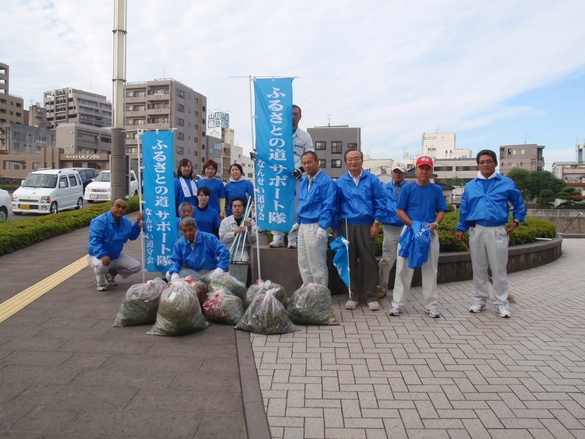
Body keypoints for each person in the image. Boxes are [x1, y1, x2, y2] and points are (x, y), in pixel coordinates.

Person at [456, 149, 526, 318]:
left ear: (495, 163)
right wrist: (461, 228)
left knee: (498, 268)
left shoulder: (506, 183)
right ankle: (480, 299)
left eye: (489, 161)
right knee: (478, 268)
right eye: (482, 162)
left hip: (497, 229)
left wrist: (516, 221)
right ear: (478, 165)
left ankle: (502, 303)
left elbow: (519, 204)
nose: (485, 164)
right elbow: (465, 209)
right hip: (476, 229)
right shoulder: (471, 186)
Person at [388, 156, 450, 318]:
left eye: (427, 168)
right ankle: (397, 304)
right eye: (421, 168)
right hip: (409, 233)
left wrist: (435, 224)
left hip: (429, 232)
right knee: (402, 269)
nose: (424, 171)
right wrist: (412, 225)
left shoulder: (436, 190)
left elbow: (441, 210)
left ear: (431, 171)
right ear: (415, 170)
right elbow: (400, 210)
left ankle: (431, 305)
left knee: (430, 269)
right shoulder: (408, 189)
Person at [332, 149, 385, 311]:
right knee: (349, 261)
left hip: (367, 224)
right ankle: (353, 295)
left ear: (362, 161)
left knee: (368, 261)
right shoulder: (340, 182)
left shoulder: (372, 180)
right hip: (346, 224)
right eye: (349, 159)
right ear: (345, 162)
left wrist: (376, 222)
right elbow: (334, 206)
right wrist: (334, 228)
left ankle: (371, 297)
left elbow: (381, 202)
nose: (353, 162)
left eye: (356, 159)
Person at [270, 104, 314, 249]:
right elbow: (268, 153)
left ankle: (293, 238)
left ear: (300, 117)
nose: (293, 117)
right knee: (277, 206)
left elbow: (311, 156)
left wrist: (301, 169)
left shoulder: (305, 136)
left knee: (295, 208)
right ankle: (278, 237)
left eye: (296, 114)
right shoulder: (276, 134)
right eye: (290, 114)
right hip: (278, 177)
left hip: (297, 178)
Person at [291, 151, 337, 286]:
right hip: (303, 225)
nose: (306, 166)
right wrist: (298, 222)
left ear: (317, 162)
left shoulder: (326, 182)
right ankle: (309, 292)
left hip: (316, 225)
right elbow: (303, 203)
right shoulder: (305, 181)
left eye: (309, 162)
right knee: (304, 262)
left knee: (316, 262)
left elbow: (329, 205)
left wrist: (323, 227)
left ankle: (320, 295)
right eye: (304, 163)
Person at [87, 199, 144, 291]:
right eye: (117, 206)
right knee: (101, 265)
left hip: (115, 256)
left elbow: (132, 236)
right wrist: (103, 254)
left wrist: (138, 224)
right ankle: (100, 283)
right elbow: (94, 240)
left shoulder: (126, 222)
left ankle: (111, 273)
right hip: (97, 256)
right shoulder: (100, 221)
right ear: (111, 207)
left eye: (123, 208)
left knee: (136, 267)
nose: (120, 209)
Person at [167, 216, 230, 284]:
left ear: (196, 228)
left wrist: (220, 268)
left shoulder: (209, 238)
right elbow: (175, 260)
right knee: (169, 275)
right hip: (191, 273)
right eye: (184, 231)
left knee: (223, 277)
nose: (188, 233)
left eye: (190, 230)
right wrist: (174, 273)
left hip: (209, 272)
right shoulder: (179, 243)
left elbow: (224, 252)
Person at [377, 162, 408, 299]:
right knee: (387, 259)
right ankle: (382, 287)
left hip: (406, 227)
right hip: (389, 227)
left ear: (405, 174)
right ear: (391, 173)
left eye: (400, 172)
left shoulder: (410, 188)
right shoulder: (383, 188)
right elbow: (379, 205)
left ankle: (401, 289)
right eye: (395, 171)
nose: (397, 174)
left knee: (404, 260)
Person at [219, 197, 257, 262]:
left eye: (239, 206)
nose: (237, 208)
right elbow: (222, 239)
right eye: (234, 206)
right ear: (231, 208)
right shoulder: (225, 221)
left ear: (244, 208)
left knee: (243, 262)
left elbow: (253, 241)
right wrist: (234, 233)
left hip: (242, 250)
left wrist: (250, 230)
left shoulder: (250, 222)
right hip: (228, 249)